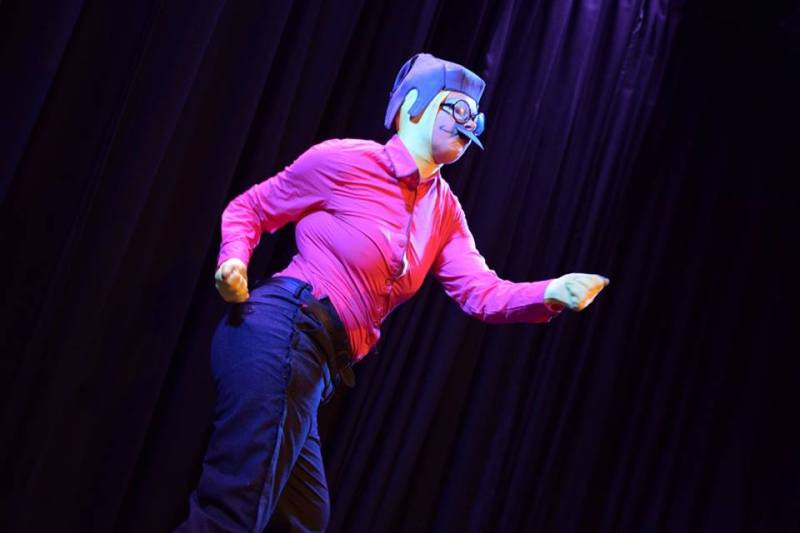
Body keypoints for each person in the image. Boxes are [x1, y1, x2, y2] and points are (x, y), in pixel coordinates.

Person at [176, 53, 609, 532]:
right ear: (415, 104)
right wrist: (233, 261)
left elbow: (481, 292)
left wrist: (552, 291)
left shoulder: (444, 212)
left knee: (301, 518)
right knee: (234, 512)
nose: (468, 125)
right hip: (282, 331)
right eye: (457, 110)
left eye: (475, 117)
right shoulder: (347, 160)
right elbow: (252, 208)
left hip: (315, 364)